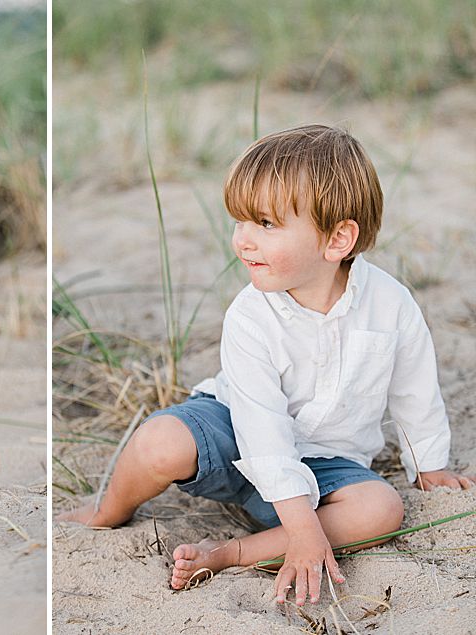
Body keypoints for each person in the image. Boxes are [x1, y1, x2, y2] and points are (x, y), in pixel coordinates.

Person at [59, 124, 474, 606]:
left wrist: (429, 464)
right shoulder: (251, 314)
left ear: (337, 239)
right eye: (239, 222)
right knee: (159, 442)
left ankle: (232, 553)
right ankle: (108, 508)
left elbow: (414, 389)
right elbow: (260, 422)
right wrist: (300, 523)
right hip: (235, 430)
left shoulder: (391, 304)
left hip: (327, 462)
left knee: (381, 509)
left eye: (266, 225)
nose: (243, 241)